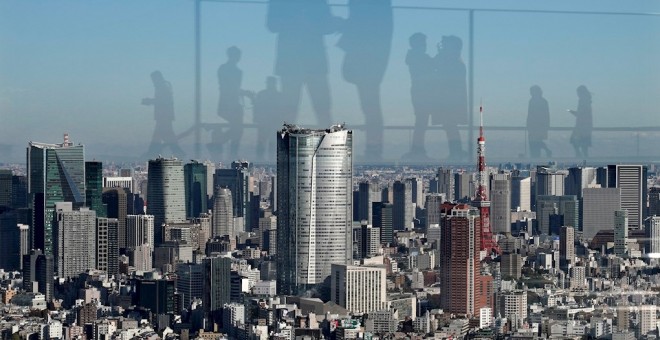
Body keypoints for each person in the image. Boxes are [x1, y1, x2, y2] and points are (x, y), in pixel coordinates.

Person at [266, 0, 338, 127]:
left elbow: (328, 25)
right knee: (315, 109)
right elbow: (272, 25)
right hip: (303, 63)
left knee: (319, 108)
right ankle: (328, 144)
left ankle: (287, 144)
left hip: (301, 63)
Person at [337, 0, 393, 160]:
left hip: (369, 60)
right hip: (371, 60)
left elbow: (365, 26)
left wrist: (346, 26)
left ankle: (374, 148)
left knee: (370, 105)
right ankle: (374, 148)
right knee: (370, 104)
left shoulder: (373, 13)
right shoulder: (380, 11)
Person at [209, 46, 253, 160]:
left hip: (232, 104)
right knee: (238, 128)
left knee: (238, 128)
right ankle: (223, 146)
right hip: (227, 104)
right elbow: (229, 87)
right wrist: (244, 93)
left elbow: (232, 88)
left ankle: (220, 144)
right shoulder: (227, 69)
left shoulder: (234, 71)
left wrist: (242, 93)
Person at [402, 32, 437, 161]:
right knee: (421, 122)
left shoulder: (415, 57)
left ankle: (418, 149)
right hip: (421, 92)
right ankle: (418, 149)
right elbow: (432, 66)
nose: (425, 46)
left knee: (421, 121)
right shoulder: (418, 57)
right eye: (423, 43)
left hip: (420, 92)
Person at [435, 35, 468, 160]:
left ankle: (456, 151)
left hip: (450, 102)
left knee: (450, 126)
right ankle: (456, 151)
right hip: (450, 101)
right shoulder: (456, 62)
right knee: (450, 126)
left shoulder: (454, 63)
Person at [141, 70, 185, 158]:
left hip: (164, 116)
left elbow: (163, 101)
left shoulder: (163, 87)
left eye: (154, 79)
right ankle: (154, 152)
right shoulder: (163, 87)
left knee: (162, 135)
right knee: (165, 135)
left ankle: (153, 152)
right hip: (164, 116)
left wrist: (150, 101)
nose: (153, 82)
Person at [253, 76, 283, 161]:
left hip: (268, 123)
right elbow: (257, 108)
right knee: (264, 143)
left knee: (270, 143)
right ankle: (264, 161)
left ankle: (268, 161)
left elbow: (257, 108)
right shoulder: (277, 95)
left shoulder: (263, 94)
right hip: (266, 123)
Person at [526, 85, 552, 158]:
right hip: (535, 126)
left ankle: (537, 157)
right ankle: (537, 156)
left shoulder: (539, 101)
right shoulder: (537, 101)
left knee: (535, 142)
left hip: (538, 126)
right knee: (534, 142)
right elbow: (530, 114)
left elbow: (546, 114)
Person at [569, 85, 593, 158]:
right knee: (584, 142)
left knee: (574, 139)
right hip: (586, 124)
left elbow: (581, 113)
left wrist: (573, 112)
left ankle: (579, 154)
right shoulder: (587, 101)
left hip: (581, 124)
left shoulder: (583, 101)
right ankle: (583, 156)